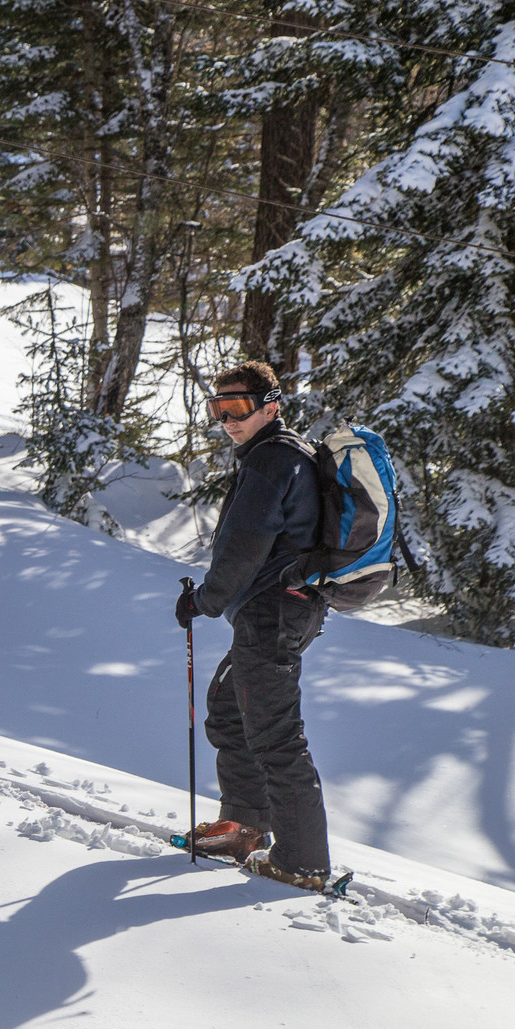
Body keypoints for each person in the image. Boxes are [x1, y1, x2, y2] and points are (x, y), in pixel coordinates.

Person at [175, 359, 331, 889]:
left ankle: (302, 862)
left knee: (275, 736)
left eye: (237, 407)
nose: (227, 419)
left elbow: (245, 544)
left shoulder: (272, 461)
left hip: (274, 613)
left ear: (271, 405)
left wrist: (204, 601)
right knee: (227, 707)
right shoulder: (281, 457)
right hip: (283, 610)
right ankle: (244, 826)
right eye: (218, 409)